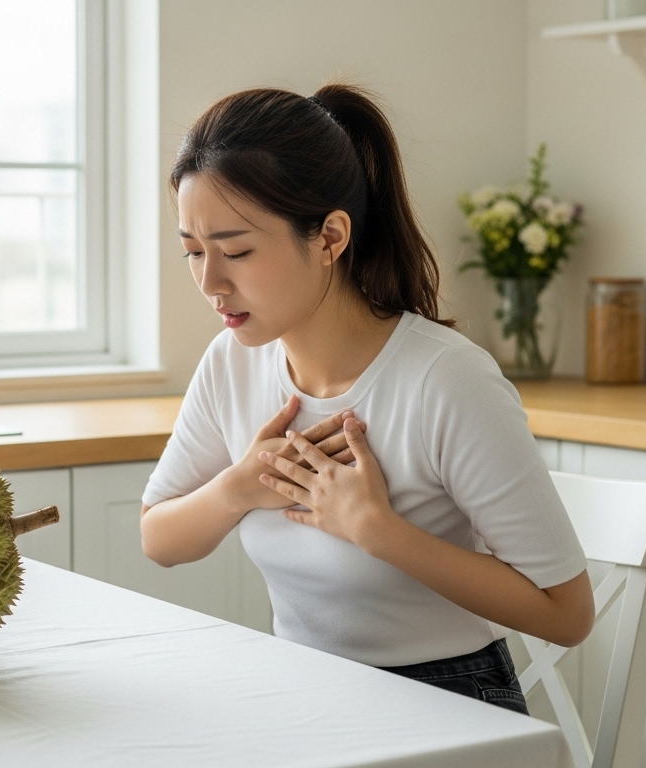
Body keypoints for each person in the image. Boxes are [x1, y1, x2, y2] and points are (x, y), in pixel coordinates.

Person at [139, 84, 593, 715]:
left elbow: (567, 614)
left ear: (329, 236)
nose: (211, 282)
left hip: (449, 697)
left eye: (236, 251)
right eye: (193, 251)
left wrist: (376, 530)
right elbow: (158, 537)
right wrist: (241, 487)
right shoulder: (231, 362)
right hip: (301, 690)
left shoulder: (447, 379)